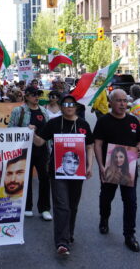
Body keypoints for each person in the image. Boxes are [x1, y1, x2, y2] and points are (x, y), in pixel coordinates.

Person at [37, 94, 94, 256]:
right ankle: (62, 242)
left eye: (72, 104)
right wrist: (31, 132)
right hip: (57, 172)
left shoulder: (83, 124)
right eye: (66, 104)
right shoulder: (54, 123)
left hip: (78, 172)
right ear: (61, 107)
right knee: (62, 205)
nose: (69, 107)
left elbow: (89, 146)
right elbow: (40, 141)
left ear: (76, 107)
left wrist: (90, 165)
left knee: (72, 206)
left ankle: (68, 234)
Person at [94, 89, 140, 252]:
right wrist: (101, 166)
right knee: (106, 198)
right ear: (111, 102)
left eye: (125, 101)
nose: (123, 104)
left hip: (129, 168)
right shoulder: (103, 121)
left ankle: (129, 235)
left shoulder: (133, 121)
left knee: (130, 201)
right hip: (110, 167)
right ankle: (104, 218)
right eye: (119, 101)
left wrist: (139, 149)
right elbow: (98, 144)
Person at [8, 85, 52, 220]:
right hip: (25, 150)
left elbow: (48, 132)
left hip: (42, 150)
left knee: (44, 178)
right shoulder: (18, 111)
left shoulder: (44, 111)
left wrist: (50, 149)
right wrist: (25, 129)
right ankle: (27, 206)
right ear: (26, 96)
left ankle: (44, 208)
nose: (36, 97)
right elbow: (10, 129)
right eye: (33, 94)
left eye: (38, 94)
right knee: (25, 178)